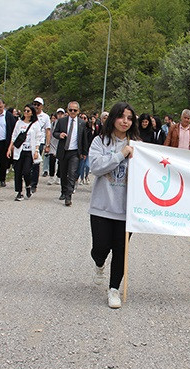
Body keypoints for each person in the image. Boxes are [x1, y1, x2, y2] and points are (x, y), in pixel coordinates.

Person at [88, 101, 138, 309]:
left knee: (120, 251)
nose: (125, 121)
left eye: (129, 118)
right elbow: (96, 167)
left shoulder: (137, 145)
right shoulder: (100, 142)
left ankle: (114, 289)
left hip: (126, 211)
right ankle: (99, 262)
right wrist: (121, 154)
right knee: (100, 247)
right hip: (102, 207)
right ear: (113, 118)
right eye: (121, 117)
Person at [52, 101, 88, 206]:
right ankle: (63, 191)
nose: (72, 112)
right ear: (67, 110)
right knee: (63, 173)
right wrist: (60, 135)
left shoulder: (82, 123)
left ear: (78, 111)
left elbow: (84, 138)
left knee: (72, 174)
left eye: (75, 110)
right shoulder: (62, 121)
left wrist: (84, 152)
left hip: (75, 152)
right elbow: (54, 133)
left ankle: (68, 196)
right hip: (64, 151)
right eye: (71, 110)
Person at [6, 104, 42, 201]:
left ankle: (28, 186)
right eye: (25, 110)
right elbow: (13, 136)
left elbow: (38, 138)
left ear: (32, 113)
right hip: (19, 150)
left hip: (29, 151)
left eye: (28, 111)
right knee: (17, 172)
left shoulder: (35, 124)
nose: (26, 112)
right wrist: (10, 149)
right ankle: (19, 192)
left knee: (26, 171)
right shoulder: (19, 123)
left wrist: (36, 151)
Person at [31, 97, 50, 192]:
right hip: (29, 141)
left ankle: (34, 184)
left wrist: (47, 144)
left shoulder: (45, 117)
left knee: (36, 163)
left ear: (41, 106)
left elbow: (48, 131)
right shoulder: (29, 114)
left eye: (38, 105)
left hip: (40, 141)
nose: (36, 106)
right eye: (34, 104)